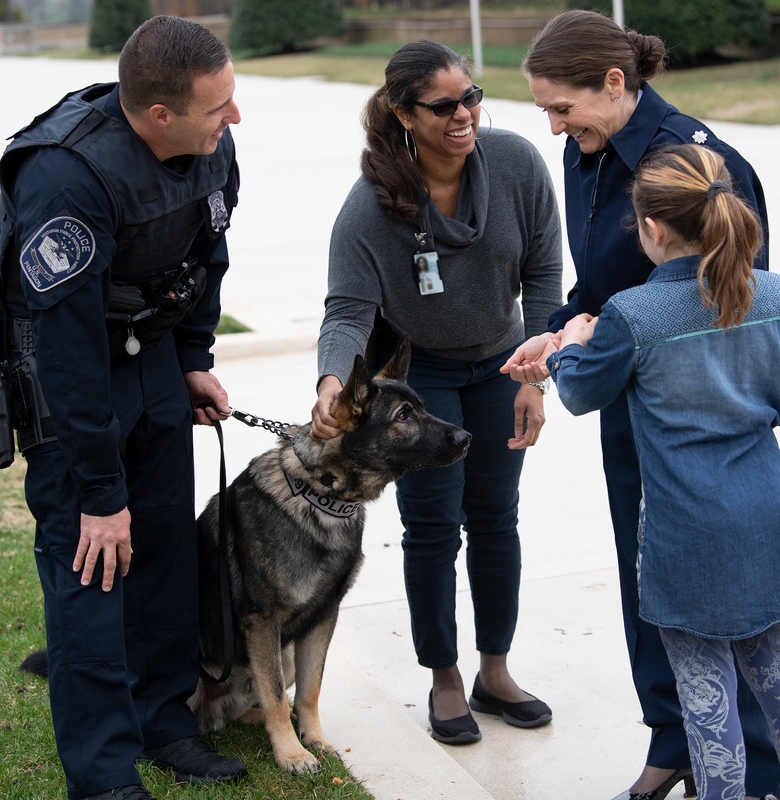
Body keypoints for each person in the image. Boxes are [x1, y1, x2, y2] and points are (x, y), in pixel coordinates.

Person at [502, 10, 780, 799]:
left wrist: (602, 340)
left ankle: (750, 766)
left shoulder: (700, 161)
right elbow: (594, 288)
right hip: (627, 408)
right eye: (546, 111)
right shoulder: (584, 153)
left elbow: (747, 295)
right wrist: (555, 336)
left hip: (703, 418)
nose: (555, 127)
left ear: (616, 82)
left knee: (722, 593)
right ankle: (676, 739)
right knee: (645, 577)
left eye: (563, 108)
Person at [0, 16, 245, 800]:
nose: (234, 119)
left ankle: (164, 721)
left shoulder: (209, 145)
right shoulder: (66, 176)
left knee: (163, 544)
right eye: (218, 107)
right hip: (70, 377)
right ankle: (102, 773)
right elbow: (62, 350)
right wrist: (100, 494)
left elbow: (209, 254)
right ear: (157, 115)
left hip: (154, 358)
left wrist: (194, 360)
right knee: (94, 563)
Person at [540, 142, 780, 800]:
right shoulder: (774, 293)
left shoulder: (633, 315)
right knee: (779, 671)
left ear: (654, 228)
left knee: (704, 691)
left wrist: (567, 348)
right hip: (768, 517)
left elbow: (583, 395)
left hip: (685, 532)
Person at [310, 40, 563, 745]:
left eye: (471, 96)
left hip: (505, 364)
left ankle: (496, 669)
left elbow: (546, 273)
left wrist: (536, 373)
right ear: (404, 115)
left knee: (496, 518)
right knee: (431, 529)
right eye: (444, 105)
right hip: (420, 381)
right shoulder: (370, 208)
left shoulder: (515, 164)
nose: (465, 114)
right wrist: (334, 377)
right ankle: (444, 677)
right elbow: (347, 311)